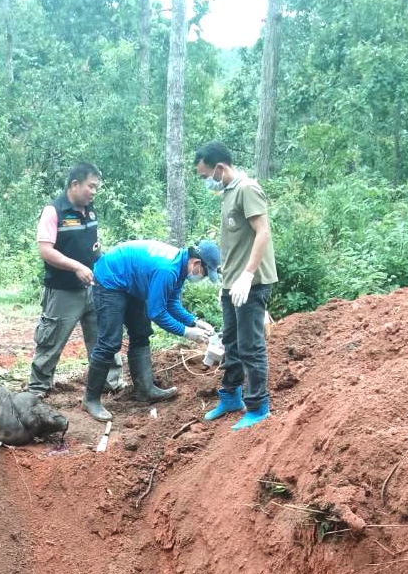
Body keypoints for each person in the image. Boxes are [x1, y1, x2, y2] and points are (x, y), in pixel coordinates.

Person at [82, 239, 221, 421]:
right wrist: (186, 332)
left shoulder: (180, 267)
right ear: (196, 263)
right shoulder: (168, 269)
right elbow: (156, 312)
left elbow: (171, 302)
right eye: (203, 273)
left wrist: (194, 322)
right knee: (110, 343)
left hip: (132, 283)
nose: (201, 277)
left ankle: (145, 389)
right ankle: (90, 399)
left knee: (141, 333)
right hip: (110, 279)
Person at [193, 141, 279, 430]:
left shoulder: (247, 189)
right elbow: (234, 244)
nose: (207, 181)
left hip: (251, 284)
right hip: (232, 283)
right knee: (230, 340)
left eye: (206, 176)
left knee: (250, 345)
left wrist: (247, 274)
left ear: (219, 168)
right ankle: (231, 395)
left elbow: (262, 233)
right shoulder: (229, 193)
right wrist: (227, 280)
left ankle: (258, 406)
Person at [26, 162, 124, 398]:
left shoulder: (90, 210)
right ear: (75, 184)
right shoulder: (54, 211)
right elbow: (46, 251)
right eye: (91, 186)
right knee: (51, 340)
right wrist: (76, 266)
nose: (94, 192)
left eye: (96, 188)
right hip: (63, 291)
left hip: (94, 287)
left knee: (104, 335)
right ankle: (38, 388)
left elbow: (91, 245)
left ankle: (111, 383)